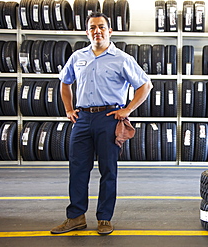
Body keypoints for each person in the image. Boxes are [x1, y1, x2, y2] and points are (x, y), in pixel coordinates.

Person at [51, 12, 152, 235]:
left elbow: (145, 86)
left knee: (108, 170)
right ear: (87, 32)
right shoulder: (77, 57)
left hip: (109, 118)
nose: (97, 31)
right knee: (78, 168)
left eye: (102, 26)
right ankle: (76, 217)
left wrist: (127, 109)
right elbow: (65, 83)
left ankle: (104, 218)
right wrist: (69, 109)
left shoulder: (122, 58)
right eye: (93, 27)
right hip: (83, 118)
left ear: (109, 31)